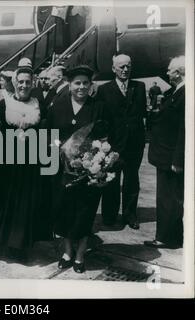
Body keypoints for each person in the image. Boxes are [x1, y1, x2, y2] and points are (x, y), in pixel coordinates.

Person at [46, 65, 104, 273]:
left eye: (85, 83)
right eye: (77, 83)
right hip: (63, 171)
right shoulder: (57, 106)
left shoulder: (98, 107)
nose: (81, 87)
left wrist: (97, 161)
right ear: (69, 85)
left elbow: (105, 136)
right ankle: (67, 251)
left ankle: (80, 254)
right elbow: (49, 136)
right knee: (64, 210)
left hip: (88, 172)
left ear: (90, 85)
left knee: (84, 212)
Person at [0, 66, 52, 261]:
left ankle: (24, 244)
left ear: (32, 83)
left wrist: (32, 138)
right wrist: (10, 139)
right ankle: (8, 244)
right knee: (9, 202)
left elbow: (46, 132)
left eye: (28, 82)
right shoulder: (4, 104)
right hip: (9, 162)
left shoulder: (38, 104)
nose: (24, 85)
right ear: (15, 83)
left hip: (31, 163)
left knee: (28, 203)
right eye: (21, 82)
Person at [97, 54, 147, 230]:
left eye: (128, 66)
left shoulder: (139, 87)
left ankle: (129, 214)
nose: (125, 70)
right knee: (111, 179)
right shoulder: (104, 90)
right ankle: (109, 215)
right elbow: (101, 119)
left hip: (134, 143)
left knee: (132, 180)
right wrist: (104, 143)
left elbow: (142, 114)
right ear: (113, 69)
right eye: (121, 67)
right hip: (113, 144)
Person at [145, 56, 185, 249]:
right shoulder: (175, 91)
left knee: (169, 199)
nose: (167, 73)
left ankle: (167, 238)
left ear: (179, 72)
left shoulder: (185, 93)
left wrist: (178, 160)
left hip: (171, 157)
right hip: (165, 155)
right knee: (167, 198)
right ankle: (170, 236)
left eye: (170, 70)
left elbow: (183, 130)